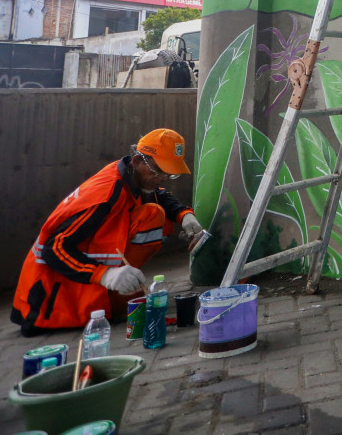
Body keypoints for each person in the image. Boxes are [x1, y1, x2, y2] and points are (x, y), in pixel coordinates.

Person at [11, 128, 202, 335]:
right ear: (138, 160)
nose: (163, 177)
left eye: (169, 172)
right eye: (158, 170)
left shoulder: (131, 176)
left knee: (152, 212)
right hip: (49, 302)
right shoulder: (106, 194)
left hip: (80, 281)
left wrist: (184, 216)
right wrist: (105, 274)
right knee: (151, 215)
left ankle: (119, 293)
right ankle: (114, 295)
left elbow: (160, 195)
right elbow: (55, 247)